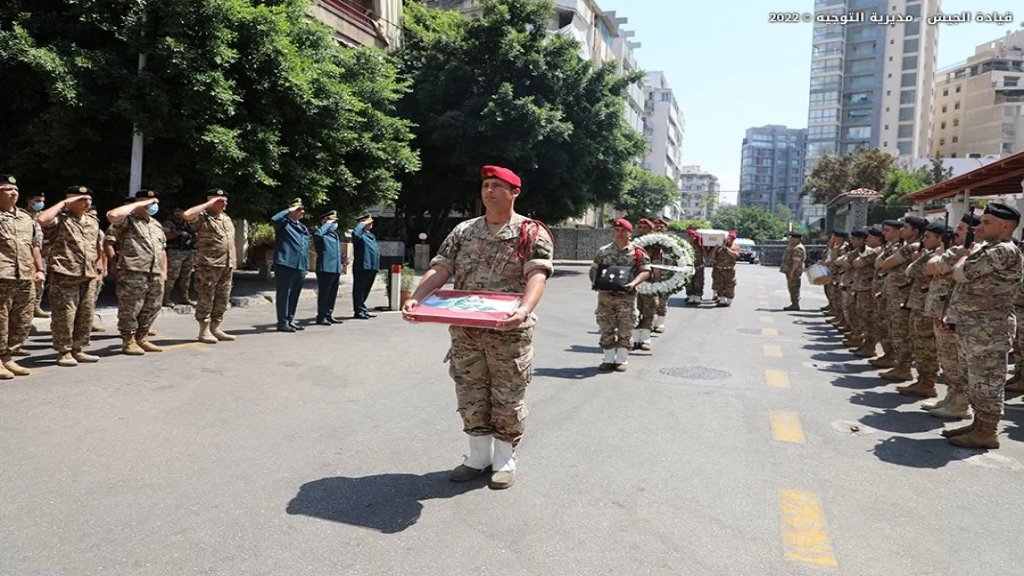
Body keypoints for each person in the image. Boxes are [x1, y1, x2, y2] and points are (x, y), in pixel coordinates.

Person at [402, 165, 553, 490]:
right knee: (470, 392)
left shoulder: (530, 232)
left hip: (509, 333)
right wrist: (416, 299)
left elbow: (537, 273)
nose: (489, 191)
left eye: (498, 186)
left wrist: (525, 309)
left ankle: (504, 458)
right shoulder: (464, 231)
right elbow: (441, 268)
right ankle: (477, 456)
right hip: (466, 332)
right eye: (486, 185)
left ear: (514, 192)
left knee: (507, 395)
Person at [939, 203, 1023, 449]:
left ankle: (987, 431)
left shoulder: (1003, 250)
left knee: (986, 380)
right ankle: (978, 424)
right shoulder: (990, 248)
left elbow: (962, 274)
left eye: (987, 222)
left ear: (1005, 226)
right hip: (975, 327)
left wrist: (962, 260)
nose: (981, 226)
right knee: (973, 378)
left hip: (989, 329)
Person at [36, 186, 105, 366]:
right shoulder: (59, 219)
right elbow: (41, 219)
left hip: (88, 274)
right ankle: (63, 351)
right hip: (65, 273)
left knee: (86, 314)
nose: (86, 202)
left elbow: (96, 245)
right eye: (80, 199)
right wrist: (64, 203)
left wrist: (98, 266)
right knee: (65, 315)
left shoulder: (92, 220)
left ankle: (78, 348)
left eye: (88, 198)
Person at [922, 215, 978, 419]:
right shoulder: (956, 251)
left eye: (961, 229)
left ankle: (961, 404)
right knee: (947, 360)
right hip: (944, 313)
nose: (956, 232)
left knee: (956, 361)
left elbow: (930, 267)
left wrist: (944, 255)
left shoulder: (968, 253)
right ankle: (951, 397)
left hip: (957, 317)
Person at [106, 190, 167, 355]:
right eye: (149, 203)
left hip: (154, 272)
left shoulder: (156, 224)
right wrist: (138, 204)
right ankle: (128, 340)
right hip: (133, 271)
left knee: (152, 306)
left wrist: (163, 271)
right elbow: (112, 215)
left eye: (155, 203)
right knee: (131, 308)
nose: (153, 206)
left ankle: (143, 337)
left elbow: (162, 250)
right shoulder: (127, 221)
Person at [592, 218, 651, 370]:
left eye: (623, 231)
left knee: (626, 328)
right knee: (606, 327)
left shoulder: (637, 252)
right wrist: (595, 282)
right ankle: (608, 359)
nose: (619, 233)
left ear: (630, 233)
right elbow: (594, 269)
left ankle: (622, 360)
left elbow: (645, 271)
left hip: (626, 298)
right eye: (616, 230)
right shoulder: (603, 251)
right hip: (605, 298)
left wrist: (634, 283)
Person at [0, 175, 44, 379]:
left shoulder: (26, 218)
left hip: (25, 276)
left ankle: (8, 356)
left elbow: (34, 245)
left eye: (15, 189)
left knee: (23, 319)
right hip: (3, 275)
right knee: (1, 319)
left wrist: (39, 269)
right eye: (8, 189)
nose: (13, 193)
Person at [183, 189, 237, 344]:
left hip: (226, 265)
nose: (224, 203)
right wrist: (208, 204)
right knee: (206, 298)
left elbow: (230, 241)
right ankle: (204, 330)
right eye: (220, 201)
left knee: (223, 298)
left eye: (225, 201)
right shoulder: (203, 217)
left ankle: (216, 327)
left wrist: (233, 260)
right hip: (208, 265)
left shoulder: (226, 218)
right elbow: (187, 215)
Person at [876, 216, 926, 383]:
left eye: (905, 227)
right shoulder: (906, 247)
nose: (901, 230)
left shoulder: (912, 247)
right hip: (896, 296)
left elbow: (885, 264)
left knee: (900, 332)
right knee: (894, 330)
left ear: (915, 231)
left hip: (901, 297)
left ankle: (904, 368)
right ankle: (899, 364)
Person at [898, 221, 943, 397]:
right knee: (920, 346)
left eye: (928, 237)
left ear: (940, 239)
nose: (924, 240)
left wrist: (923, 256)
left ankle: (928, 383)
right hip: (920, 306)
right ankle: (922, 381)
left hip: (928, 308)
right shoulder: (931, 253)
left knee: (927, 348)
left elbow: (912, 270)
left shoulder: (938, 256)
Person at [271, 198, 310, 332]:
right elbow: (274, 219)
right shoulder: (283, 224)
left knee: (294, 294)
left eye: (302, 210)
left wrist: (305, 266)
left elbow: (305, 248)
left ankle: (290, 320)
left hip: (299, 265)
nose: (301, 212)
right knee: (284, 294)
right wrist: (289, 210)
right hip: (286, 263)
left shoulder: (302, 227)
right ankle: (282, 322)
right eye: (298, 209)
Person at [852, 227, 883, 358]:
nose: (867, 239)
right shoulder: (870, 251)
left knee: (869, 319)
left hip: (868, 289)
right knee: (863, 317)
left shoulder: (876, 251)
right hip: (863, 287)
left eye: (870, 237)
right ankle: (866, 343)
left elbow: (857, 263)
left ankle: (870, 346)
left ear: (878, 239)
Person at [313, 210, 344, 325]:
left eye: (334, 221)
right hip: (325, 268)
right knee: (324, 294)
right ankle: (321, 316)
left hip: (335, 268)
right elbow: (317, 235)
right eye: (331, 221)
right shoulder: (320, 233)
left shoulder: (334, 235)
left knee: (332, 294)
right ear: (323, 221)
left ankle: (329, 314)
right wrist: (326, 224)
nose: (333, 223)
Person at [162, 206, 197, 307]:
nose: (178, 213)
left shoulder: (188, 224)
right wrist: (178, 234)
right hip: (175, 252)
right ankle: (165, 298)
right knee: (172, 276)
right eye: (176, 211)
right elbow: (165, 236)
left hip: (188, 252)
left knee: (186, 276)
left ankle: (184, 297)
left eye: (180, 211)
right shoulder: (168, 223)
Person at [24, 190, 49, 319]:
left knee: (40, 282)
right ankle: (27, 307)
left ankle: (36, 306)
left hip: (42, 253)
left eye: (42, 201)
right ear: (29, 201)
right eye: (38, 201)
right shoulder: (23, 215)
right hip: (26, 254)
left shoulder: (43, 216)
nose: (40, 204)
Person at [633, 218, 657, 350]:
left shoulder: (657, 244)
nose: (642, 230)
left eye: (645, 227)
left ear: (650, 229)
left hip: (650, 281)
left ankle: (646, 337)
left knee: (649, 309)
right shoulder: (633, 242)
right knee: (634, 309)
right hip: (634, 280)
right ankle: (635, 338)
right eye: (640, 227)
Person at [351, 213, 380, 319]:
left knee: (366, 289)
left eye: (371, 222)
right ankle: (358, 311)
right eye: (368, 222)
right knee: (359, 289)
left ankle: (362, 308)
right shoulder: (359, 235)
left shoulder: (370, 236)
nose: (371, 223)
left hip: (372, 266)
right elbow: (355, 233)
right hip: (362, 266)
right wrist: (361, 224)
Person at [711, 231, 740, 306]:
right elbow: (713, 256)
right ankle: (722, 300)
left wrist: (726, 249)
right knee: (720, 285)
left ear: (734, 239)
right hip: (719, 269)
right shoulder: (720, 246)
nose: (729, 240)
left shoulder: (735, 246)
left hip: (729, 270)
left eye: (731, 239)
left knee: (730, 285)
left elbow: (736, 255)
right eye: (728, 238)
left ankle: (729, 300)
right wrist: (715, 249)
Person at [652, 218, 671, 332]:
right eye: (657, 226)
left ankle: (659, 323)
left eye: (661, 227)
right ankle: (649, 322)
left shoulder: (672, 242)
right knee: (650, 301)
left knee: (663, 301)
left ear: (666, 228)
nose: (659, 228)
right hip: (650, 276)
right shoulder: (649, 241)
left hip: (665, 276)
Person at [780, 231, 805, 311]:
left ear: (797, 239)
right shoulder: (793, 246)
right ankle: (794, 303)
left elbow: (796, 261)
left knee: (794, 287)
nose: (790, 239)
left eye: (791, 238)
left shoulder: (798, 248)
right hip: (792, 270)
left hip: (795, 271)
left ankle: (795, 304)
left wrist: (792, 271)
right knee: (792, 287)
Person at [684, 227, 705, 305]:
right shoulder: (684, 245)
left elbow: (705, 253)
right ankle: (690, 295)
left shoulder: (700, 245)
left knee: (698, 282)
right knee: (688, 282)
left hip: (698, 267)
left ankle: (698, 296)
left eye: (692, 236)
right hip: (688, 267)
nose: (691, 238)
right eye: (689, 236)